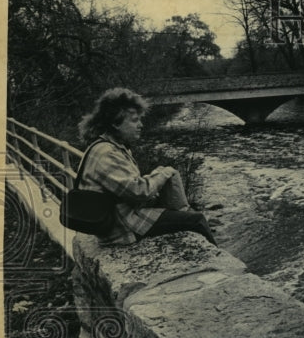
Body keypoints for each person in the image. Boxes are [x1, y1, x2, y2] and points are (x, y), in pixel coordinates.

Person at [76, 88, 216, 246]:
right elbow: (139, 191)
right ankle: (218, 261)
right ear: (115, 123)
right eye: (134, 120)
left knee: (178, 208)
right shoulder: (107, 154)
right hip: (122, 227)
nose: (141, 125)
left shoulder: (106, 146)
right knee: (197, 220)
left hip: (119, 216)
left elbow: (128, 189)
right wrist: (163, 173)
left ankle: (184, 211)